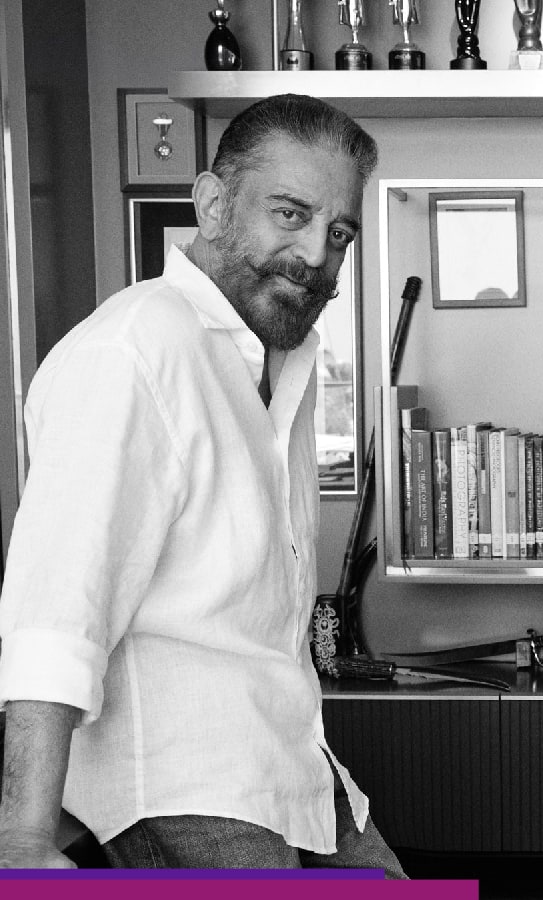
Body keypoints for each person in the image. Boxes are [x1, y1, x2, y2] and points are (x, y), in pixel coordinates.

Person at [0, 93, 404, 874]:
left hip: (288, 759)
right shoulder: (131, 353)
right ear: (213, 205)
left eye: (339, 233)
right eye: (289, 214)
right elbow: (56, 609)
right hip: (180, 780)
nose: (316, 254)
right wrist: (21, 836)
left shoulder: (286, 360)